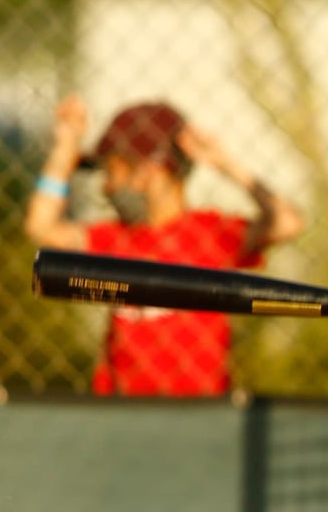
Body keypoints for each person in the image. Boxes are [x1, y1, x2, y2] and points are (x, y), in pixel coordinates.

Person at [25, 95, 305, 397]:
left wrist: (227, 165)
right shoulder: (115, 238)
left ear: (150, 170)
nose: (106, 187)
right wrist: (64, 149)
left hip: (199, 411)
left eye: (113, 172)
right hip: (123, 412)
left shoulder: (209, 233)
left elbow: (286, 223)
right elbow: (41, 226)